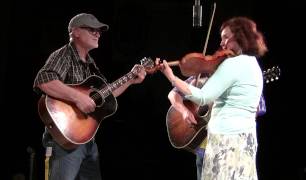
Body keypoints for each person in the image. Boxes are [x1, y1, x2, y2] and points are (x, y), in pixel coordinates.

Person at [33, 13, 146, 180]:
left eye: (99, 31)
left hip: (87, 139)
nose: (97, 33)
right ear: (75, 32)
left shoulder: (91, 64)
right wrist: (78, 98)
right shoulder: (64, 55)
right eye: (92, 29)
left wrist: (130, 79)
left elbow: (106, 94)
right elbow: (43, 81)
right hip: (64, 140)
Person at [160, 16, 268, 180]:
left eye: (226, 37)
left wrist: (171, 77)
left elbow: (203, 97)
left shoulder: (233, 64)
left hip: (226, 142)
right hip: (245, 141)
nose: (221, 43)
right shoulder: (254, 65)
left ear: (240, 36)